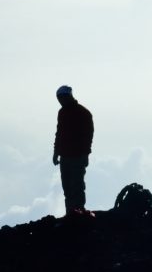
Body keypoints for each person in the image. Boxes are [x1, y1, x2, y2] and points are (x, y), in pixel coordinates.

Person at [52, 85, 95, 217]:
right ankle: (71, 212)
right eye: (58, 98)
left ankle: (79, 210)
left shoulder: (83, 113)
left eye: (62, 98)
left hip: (78, 155)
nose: (60, 100)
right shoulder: (62, 113)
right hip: (65, 155)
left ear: (68, 96)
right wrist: (56, 152)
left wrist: (85, 154)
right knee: (67, 186)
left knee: (77, 184)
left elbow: (88, 135)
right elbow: (59, 133)